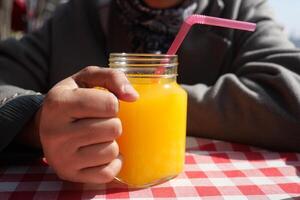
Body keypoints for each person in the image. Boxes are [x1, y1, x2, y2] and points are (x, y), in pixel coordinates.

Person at [0, 0, 300, 184]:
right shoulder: (74, 15)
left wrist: (163, 106)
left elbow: (292, 93)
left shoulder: (243, 7)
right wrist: (36, 118)